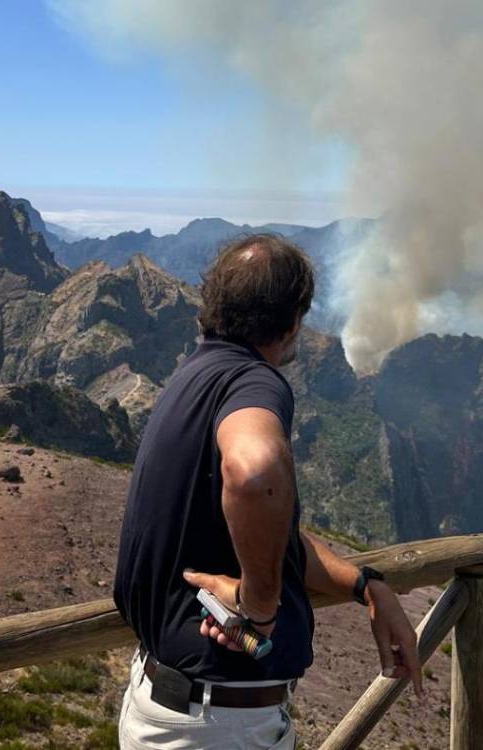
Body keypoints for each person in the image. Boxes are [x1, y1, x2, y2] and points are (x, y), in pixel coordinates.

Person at [113, 234, 422, 749]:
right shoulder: (253, 380)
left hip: (177, 708)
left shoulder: (193, 375)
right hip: (218, 727)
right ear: (293, 320)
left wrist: (365, 586)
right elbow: (255, 474)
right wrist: (259, 603)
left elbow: (276, 537)